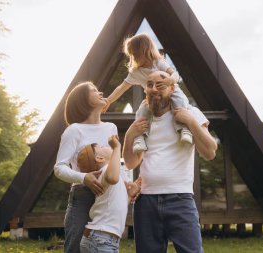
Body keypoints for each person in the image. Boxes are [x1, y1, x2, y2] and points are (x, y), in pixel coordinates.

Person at [123, 71, 218, 253]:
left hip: (180, 199)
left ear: (172, 88)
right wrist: (129, 135)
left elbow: (210, 151)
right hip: (146, 201)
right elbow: (130, 163)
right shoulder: (142, 119)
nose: (154, 89)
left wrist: (190, 122)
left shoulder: (190, 113)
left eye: (160, 85)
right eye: (149, 85)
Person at [54, 81, 118, 253]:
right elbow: (59, 167)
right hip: (82, 196)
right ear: (82, 100)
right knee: (75, 248)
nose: (100, 92)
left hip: (107, 196)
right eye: (94, 90)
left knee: (104, 247)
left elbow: (115, 162)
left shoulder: (111, 128)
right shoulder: (74, 130)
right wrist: (84, 178)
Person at [103, 33, 193, 154]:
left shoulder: (158, 63)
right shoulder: (136, 72)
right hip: (153, 98)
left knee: (180, 102)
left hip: (171, 92)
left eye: (135, 54)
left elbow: (175, 75)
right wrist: (108, 100)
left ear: (144, 51)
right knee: (142, 111)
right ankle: (140, 138)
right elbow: (121, 88)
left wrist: (170, 80)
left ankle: (184, 129)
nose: (133, 57)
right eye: (132, 55)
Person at [76, 136, 141, 253]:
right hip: (101, 239)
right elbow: (113, 177)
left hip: (101, 238)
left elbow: (114, 203)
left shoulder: (109, 175)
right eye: (101, 147)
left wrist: (129, 195)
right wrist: (116, 147)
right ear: (99, 158)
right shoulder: (107, 171)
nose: (105, 146)